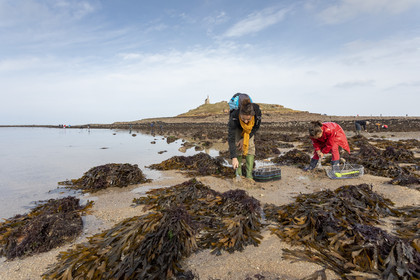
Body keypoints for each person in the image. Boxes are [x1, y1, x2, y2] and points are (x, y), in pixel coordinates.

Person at [228, 94, 262, 180]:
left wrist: (244, 139)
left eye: (248, 119)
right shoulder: (234, 116)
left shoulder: (257, 112)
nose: (246, 121)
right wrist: (234, 157)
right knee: (237, 146)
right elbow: (231, 138)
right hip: (237, 127)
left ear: (252, 115)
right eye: (243, 119)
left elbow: (255, 128)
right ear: (240, 114)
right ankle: (238, 174)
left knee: (250, 147)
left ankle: (249, 175)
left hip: (249, 130)